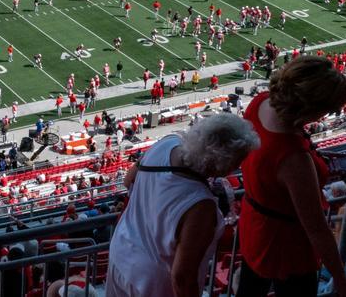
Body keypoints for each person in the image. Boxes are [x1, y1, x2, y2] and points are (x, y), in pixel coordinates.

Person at [237, 56, 346, 297]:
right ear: (310, 107)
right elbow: (316, 228)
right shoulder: (293, 158)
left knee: (250, 289)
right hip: (286, 244)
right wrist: (341, 280)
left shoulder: (260, 103)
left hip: (253, 221)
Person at [107, 113, 259, 296]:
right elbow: (182, 277)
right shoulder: (201, 206)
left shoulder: (167, 143)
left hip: (121, 253)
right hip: (151, 281)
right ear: (222, 161)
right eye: (236, 162)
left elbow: (128, 181)